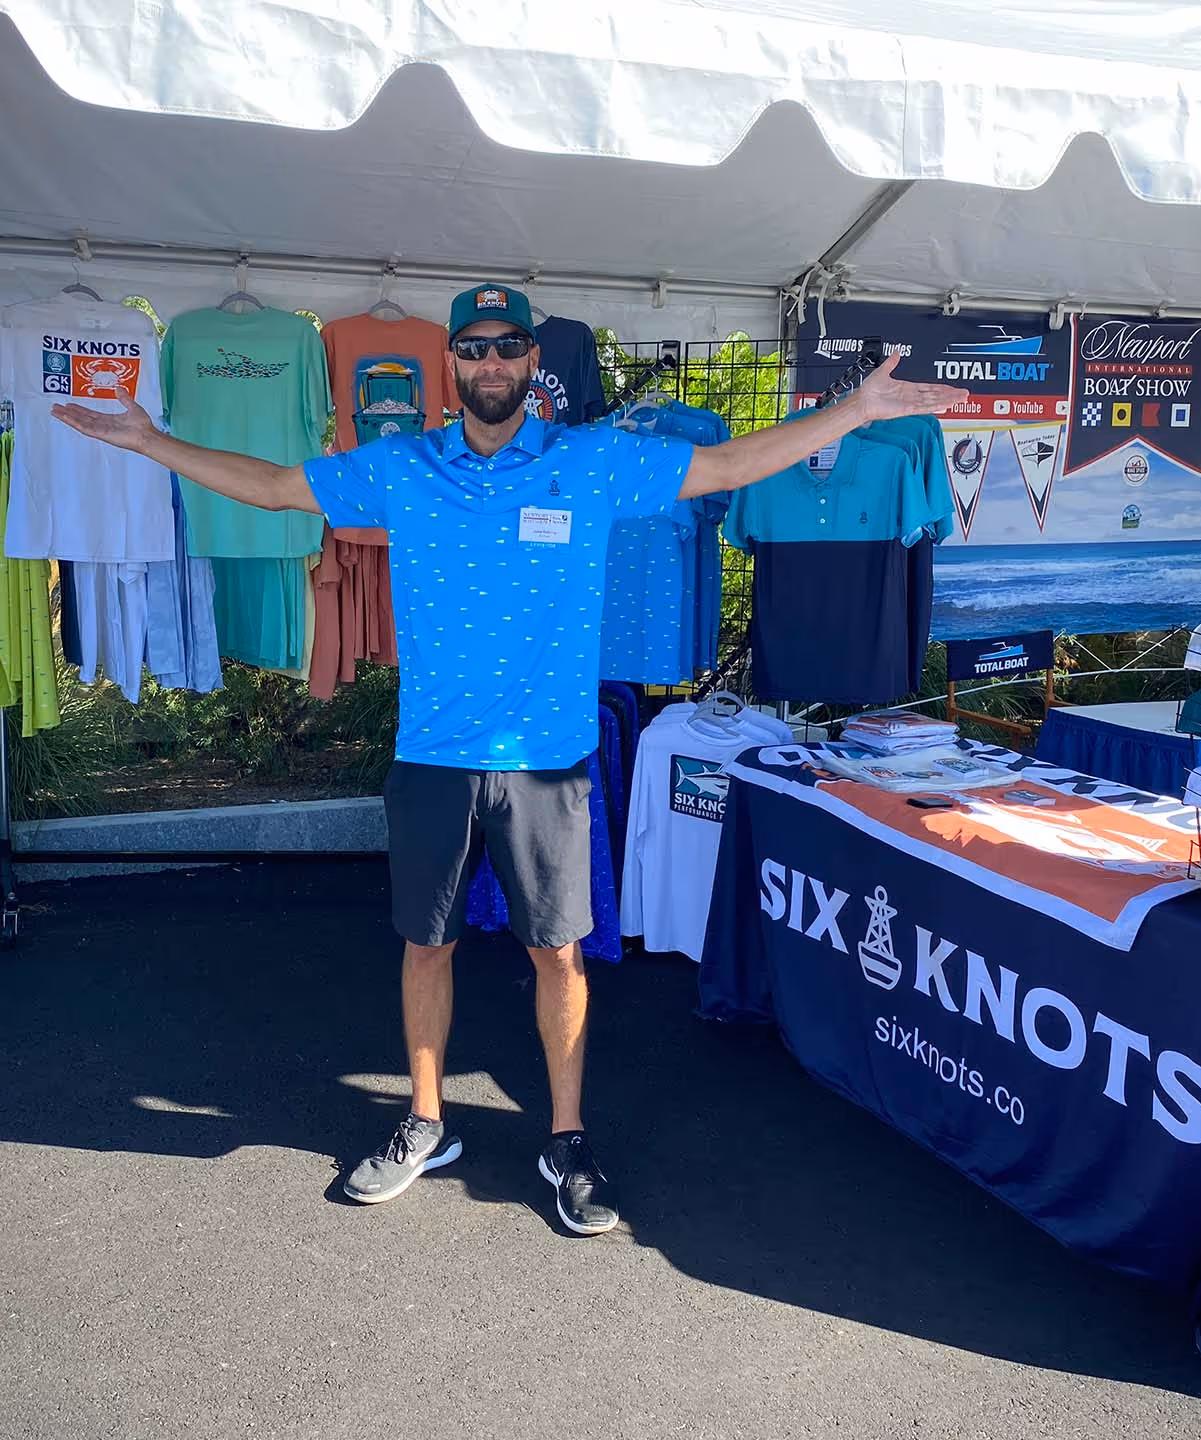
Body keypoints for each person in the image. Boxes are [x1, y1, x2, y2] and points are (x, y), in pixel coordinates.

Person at [54, 283, 968, 1235]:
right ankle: (423, 1121)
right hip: (434, 755)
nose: (491, 363)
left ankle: (565, 1138)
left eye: (509, 347)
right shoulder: (405, 466)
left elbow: (731, 464)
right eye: (475, 348)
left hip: (548, 761)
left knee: (559, 952)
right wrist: (153, 444)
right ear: (451, 365)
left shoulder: (593, 461)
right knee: (426, 944)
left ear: (536, 363)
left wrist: (854, 410)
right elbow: (282, 486)